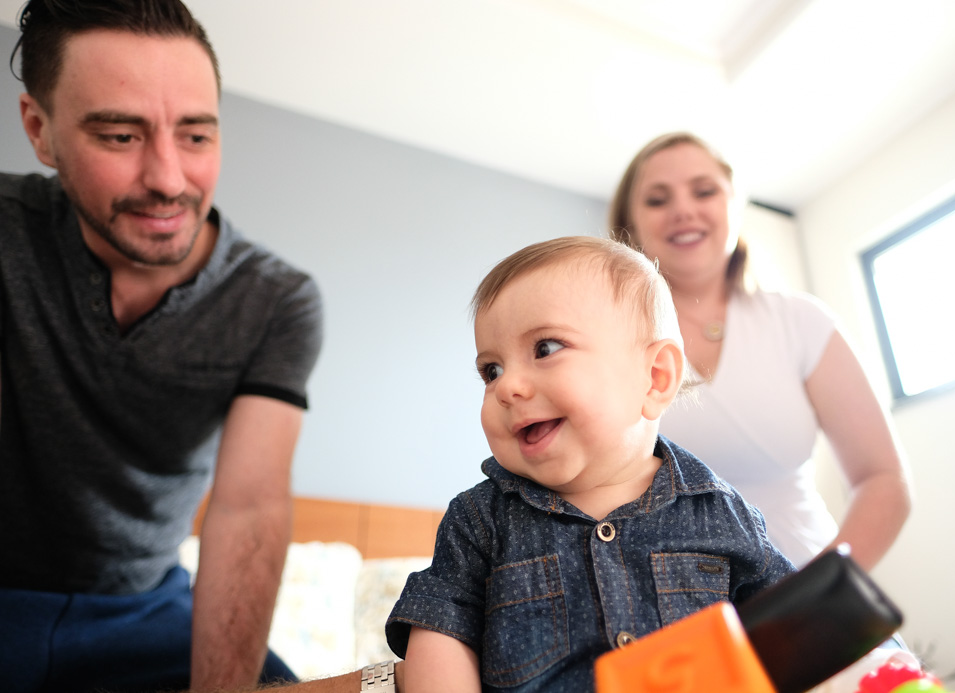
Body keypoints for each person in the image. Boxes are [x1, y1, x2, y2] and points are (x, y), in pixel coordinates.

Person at [0, 1, 323, 690]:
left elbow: (248, 507)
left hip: (149, 612)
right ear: (40, 129)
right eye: (120, 136)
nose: (170, 180)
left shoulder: (276, 301)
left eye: (196, 135)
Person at [383, 236, 797, 691]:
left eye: (545, 348)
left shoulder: (721, 513)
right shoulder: (479, 521)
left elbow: (797, 630)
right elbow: (441, 636)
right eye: (491, 370)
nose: (507, 387)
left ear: (654, 378)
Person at [608, 131, 912, 570]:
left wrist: (821, 593)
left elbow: (882, 478)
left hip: (811, 580)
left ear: (736, 204)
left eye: (704, 191)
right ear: (630, 223)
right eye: (658, 200)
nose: (683, 210)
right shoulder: (606, 343)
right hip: (676, 600)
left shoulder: (802, 321)